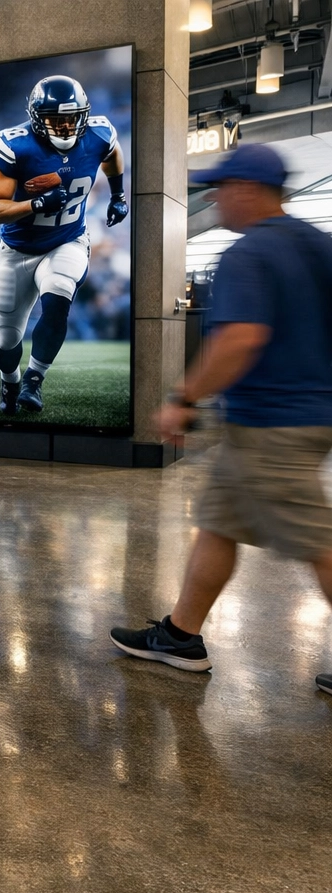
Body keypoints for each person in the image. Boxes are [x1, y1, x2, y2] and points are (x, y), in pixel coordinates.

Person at [111, 144, 332, 694]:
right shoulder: (319, 246)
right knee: (219, 523)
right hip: (298, 416)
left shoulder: (248, 254)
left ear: (247, 190)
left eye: (221, 189)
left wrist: (183, 397)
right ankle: (181, 636)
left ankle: (181, 635)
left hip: (275, 425)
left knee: (316, 541)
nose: (214, 200)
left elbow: (240, 339)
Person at [0, 74, 128, 417]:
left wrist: (118, 195)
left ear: (83, 115)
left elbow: (113, 154)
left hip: (67, 239)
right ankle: (10, 380)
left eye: (72, 118)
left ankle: (34, 380)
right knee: (7, 336)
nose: (64, 127)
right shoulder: (16, 145)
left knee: (59, 297)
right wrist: (34, 204)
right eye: (55, 120)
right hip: (17, 249)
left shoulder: (98, 133)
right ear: (37, 119)